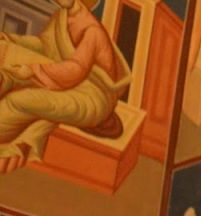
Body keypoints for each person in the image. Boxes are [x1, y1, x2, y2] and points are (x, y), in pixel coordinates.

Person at [0, 0, 131, 174]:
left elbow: (75, 70)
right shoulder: (61, 17)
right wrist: (11, 39)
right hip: (65, 80)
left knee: (19, 100)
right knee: (8, 62)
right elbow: (43, 46)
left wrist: (32, 70)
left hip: (91, 97)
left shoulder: (92, 31)